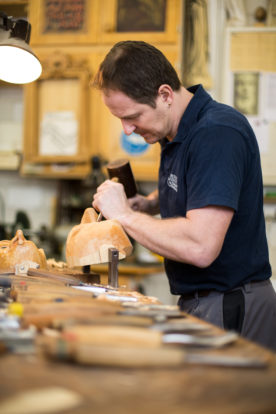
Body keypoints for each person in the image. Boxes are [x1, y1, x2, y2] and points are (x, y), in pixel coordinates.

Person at [92, 40, 276, 351]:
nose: (127, 129)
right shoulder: (174, 132)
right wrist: (149, 204)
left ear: (164, 95)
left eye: (133, 116)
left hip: (230, 303)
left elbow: (201, 245)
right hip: (204, 301)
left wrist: (124, 214)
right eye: (120, 119)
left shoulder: (216, 133)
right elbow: (195, 188)